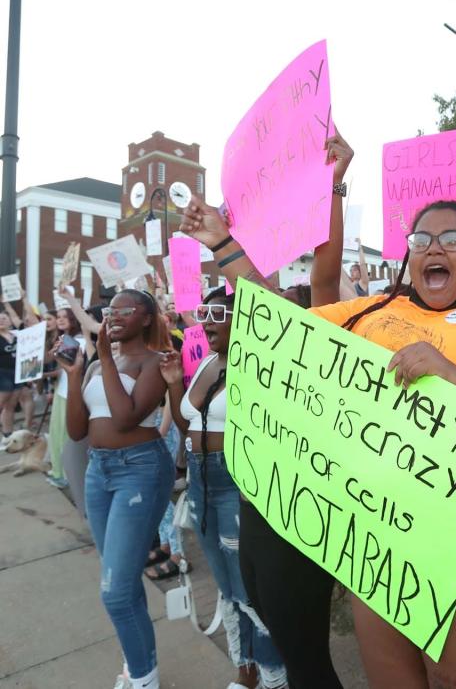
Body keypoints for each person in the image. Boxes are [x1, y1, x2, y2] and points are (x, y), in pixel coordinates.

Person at [181, 168, 456, 685]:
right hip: (382, 556)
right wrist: (221, 242)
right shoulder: (370, 312)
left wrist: (452, 379)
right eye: (421, 239)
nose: (433, 247)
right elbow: (277, 325)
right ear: (409, 256)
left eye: (453, 239)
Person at [179, 131, 352, 688]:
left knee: (305, 659)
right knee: (279, 629)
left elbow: (321, 277)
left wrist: (333, 184)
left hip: (298, 514)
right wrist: (221, 245)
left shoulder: (316, 337)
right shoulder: (248, 347)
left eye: (290, 306)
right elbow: (255, 295)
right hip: (255, 505)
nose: (274, 311)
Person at [161, 288, 288, 689]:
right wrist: (171, 383)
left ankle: (274, 674)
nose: (207, 323)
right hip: (201, 481)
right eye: (205, 313)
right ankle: (244, 669)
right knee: (226, 587)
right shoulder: (206, 365)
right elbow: (190, 427)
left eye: (219, 314)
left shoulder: (258, 366)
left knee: (248, 587)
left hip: (236, 481)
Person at [58, 289, 172, 689]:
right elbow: (77, 431)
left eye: (127, 309)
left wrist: (104, 356)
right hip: (99, 473)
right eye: (111, 310)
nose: (115, 315)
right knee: (121, 583)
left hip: (139, 471)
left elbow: (124, 418)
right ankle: (141, 666)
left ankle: (143, 679)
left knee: (115, 593)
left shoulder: (154, 363)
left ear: (146, 318)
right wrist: (75, 377)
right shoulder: (92, 368)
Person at [46, 307, 87, 489]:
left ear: (74, 319)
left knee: (64, 436)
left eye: (65, 317)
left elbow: (71, 366)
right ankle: (59, 472)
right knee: (56, 434)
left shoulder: (80, 340)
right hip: (61, 391)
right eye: (58, 316)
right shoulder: (63, 339)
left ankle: (64, 475)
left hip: (71, 394)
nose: (60, 319)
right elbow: (55, 365)